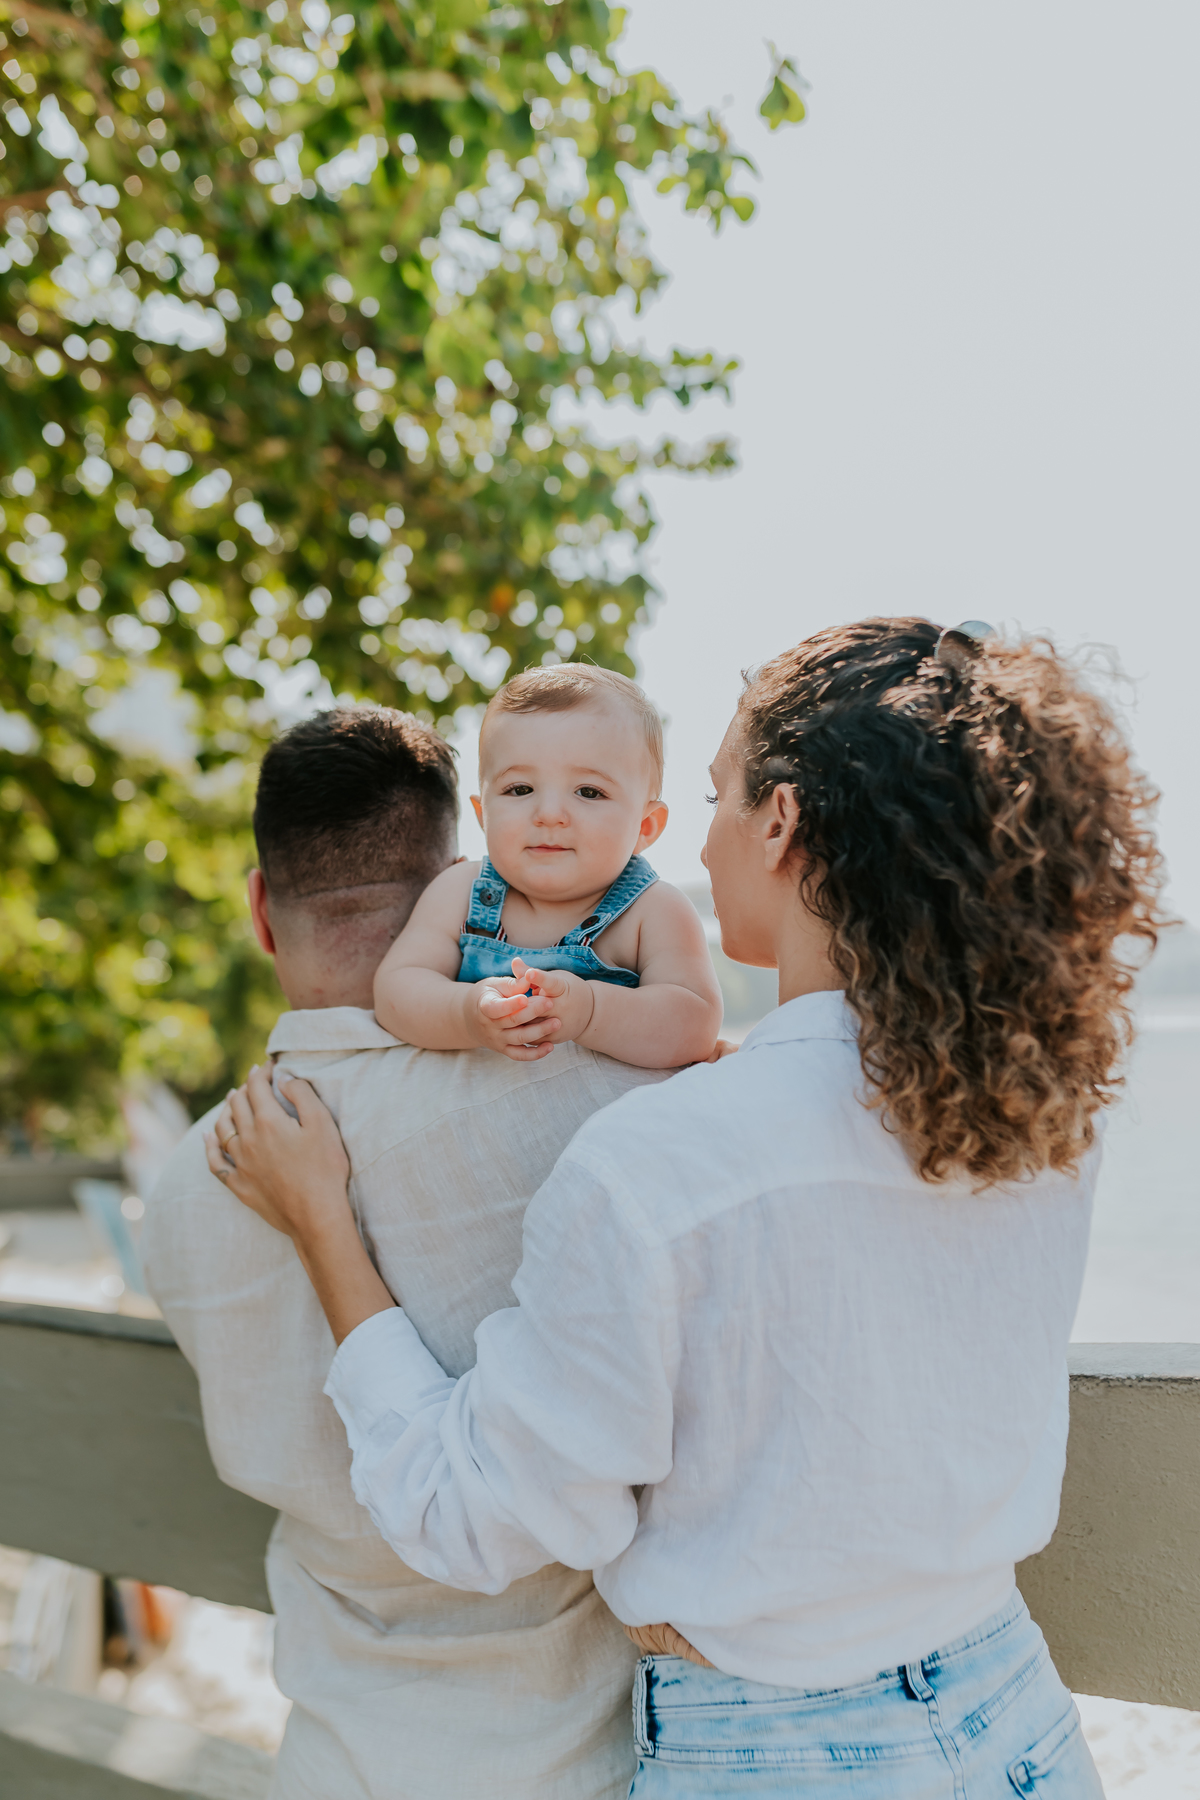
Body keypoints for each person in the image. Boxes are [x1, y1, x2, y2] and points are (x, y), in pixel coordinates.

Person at [211, 619, 1164, 1798]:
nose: (701, 845)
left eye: (716, 796)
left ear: (781, 822)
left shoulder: (662, 1158)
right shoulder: (1036, 1117)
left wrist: (323, 1227)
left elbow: (470, 1518)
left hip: (783, 1761)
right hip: (1015, 1716)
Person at [141, 704, 674, 1800]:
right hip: (581, 1761)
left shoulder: (182, 1190)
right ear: (466, 879)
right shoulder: (600, 1097)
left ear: (259, 907)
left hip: (330, 1759)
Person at [373, 665, 723, 1067]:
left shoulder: (654, 912)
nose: (549, 814)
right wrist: (466, 1013)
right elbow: (395, 991)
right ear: (483, 813)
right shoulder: (461, 892)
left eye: (589, 792)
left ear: (644, 826)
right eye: (519, 789)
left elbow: (696, 1025)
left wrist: (592, 1011)